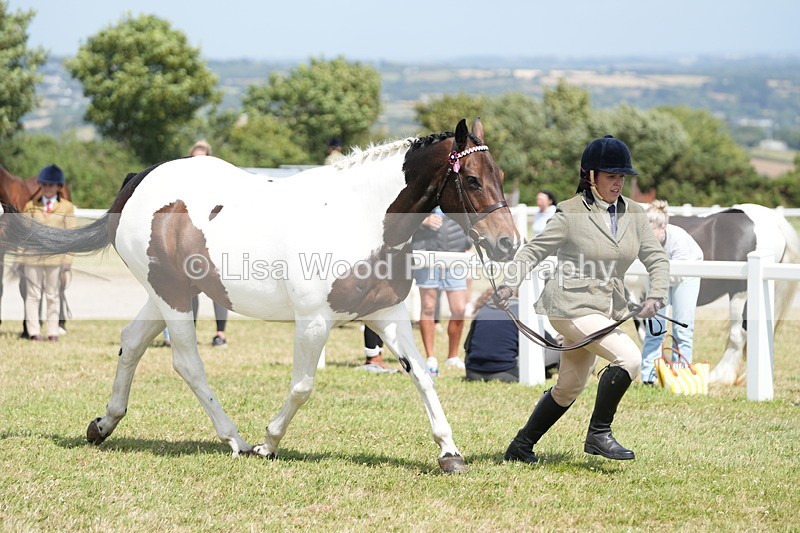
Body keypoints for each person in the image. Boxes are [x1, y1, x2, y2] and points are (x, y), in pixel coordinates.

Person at [495, 135, 669, 462]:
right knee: (629, 359)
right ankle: (599, 434)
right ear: (591, 176)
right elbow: (533, 250)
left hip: (604, 308)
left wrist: (657, 293)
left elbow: (656, 258)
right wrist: (508, 284)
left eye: (622, 177)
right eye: (610, 176)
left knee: (569, 387)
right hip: (569, 306)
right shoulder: (570, 213)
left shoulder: (634, 213)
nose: (618, 183)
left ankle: (520, 447)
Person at [161, 140, 229, 347]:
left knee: (216, 288)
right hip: (188, 243)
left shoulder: (219, 186)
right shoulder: (182, 186)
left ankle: (220, 334)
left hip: (213, 243)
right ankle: (188, 333)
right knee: (189, 287)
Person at [640, 200, 703, 384]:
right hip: (659, 277)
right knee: (654, 328)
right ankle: (648, 377)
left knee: (682, 327)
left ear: (663, 227)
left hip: (686, 276)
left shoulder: (679, 240)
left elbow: (676, 276)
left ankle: (680, 375)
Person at [18, 164, 75, 341]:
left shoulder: (66, 208)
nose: (47, 188)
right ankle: (34, 331)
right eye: (44, 184)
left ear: (58, 187)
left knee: (53, 295)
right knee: (33, 295)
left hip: (56, 258)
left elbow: (70, 235)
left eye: (51, 185)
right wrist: (20, 257)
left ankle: (52, 331)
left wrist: (68, 259)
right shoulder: (31, 206)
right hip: (33, 258)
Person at [412, 207, 472, 375]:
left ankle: (452, 356)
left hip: (456, 255)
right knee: (428, 307)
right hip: (427, 253)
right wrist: (422, 220)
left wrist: (468, 242)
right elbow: (404, 218)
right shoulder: (425, 188)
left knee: (459, 309)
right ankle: (430, 357)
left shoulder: (459, 186)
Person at [464, 289, 561, 383]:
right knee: (558, 351)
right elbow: (550, 343)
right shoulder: (522, 311)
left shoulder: (482, 311)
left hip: (473, 373)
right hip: (507, 372)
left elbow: (467, 346)